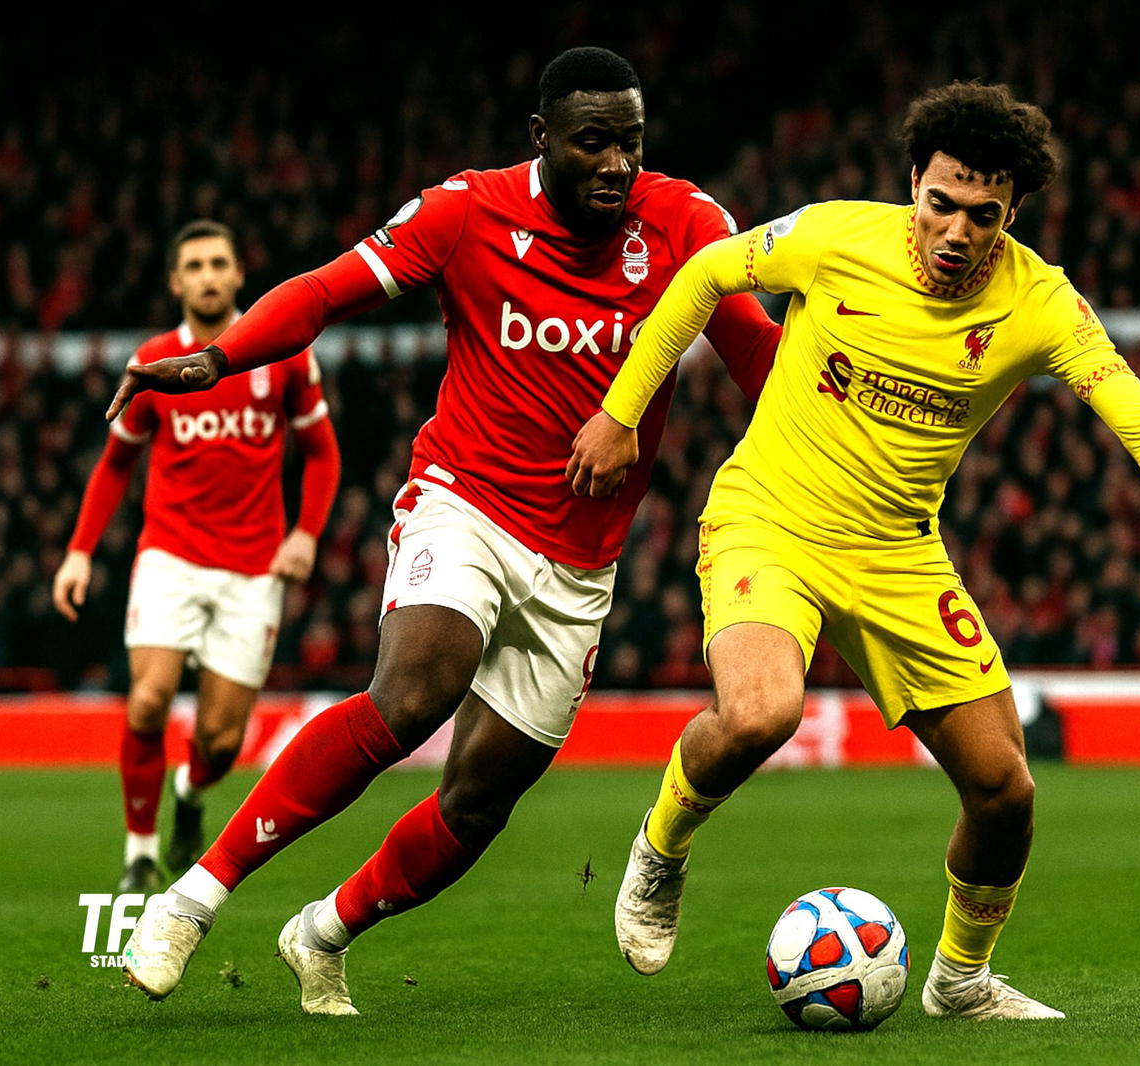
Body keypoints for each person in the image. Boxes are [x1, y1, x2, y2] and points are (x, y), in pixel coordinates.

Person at [569, 81, 1140, 1020]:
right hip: (772, 518)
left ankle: (960, 981)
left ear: (1013, 215)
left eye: (984, 215)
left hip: (899, 555)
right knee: (761, 713)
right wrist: (619, 408)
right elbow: (708, 273)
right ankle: (661, 849)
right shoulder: (835, 236)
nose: (957, 232)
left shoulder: (1040, 302)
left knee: (1005, 790)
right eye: (941, 204)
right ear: (913, 182)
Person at [114, 47, 779, 1015]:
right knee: (412, 690)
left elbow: (758, 356)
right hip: (462, 499)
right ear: (540, 139)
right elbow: (325, 291)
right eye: (592, 141)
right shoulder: (464, 211)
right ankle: (190, 896)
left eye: (631, 142)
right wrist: (220, 357)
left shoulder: (685, 224)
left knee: (478, 800)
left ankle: (324, 930)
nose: (616, 165)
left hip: (578, 563)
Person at [51, 219, 339, 894]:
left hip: (255, 567)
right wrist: (79, 552)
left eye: (219, 263)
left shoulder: (281, 354)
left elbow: (322, 453)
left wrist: (307, 533)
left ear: (238, 274)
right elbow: (115, 464)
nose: (209, 276)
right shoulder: (152, 361)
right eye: (195, 266)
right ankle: (139, 853)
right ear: (176, 282)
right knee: (147, 701)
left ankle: (189, 787)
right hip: (170, 555)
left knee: (218, 743)